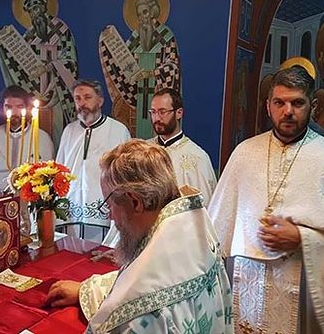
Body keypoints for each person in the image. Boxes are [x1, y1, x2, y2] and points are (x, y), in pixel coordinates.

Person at [208, 66, 324, 334]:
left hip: (303, 288)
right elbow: (215, 230)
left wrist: (303, 238)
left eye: (297, 103)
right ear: (268, 106)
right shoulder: (244, 153)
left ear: (313, 106)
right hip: (245, 280)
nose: (287, 111)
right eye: (279, 102)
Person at [45, 139, 233, 334]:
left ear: (135, 202)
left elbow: (138, 293)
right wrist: (86, 291)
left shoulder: (140, 315)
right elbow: (145, 278)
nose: (109, 216)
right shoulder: (193, 227)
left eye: (109, 205)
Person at [102, 88, 217, 247]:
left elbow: (203, 209)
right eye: (153, 112)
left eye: (162, 112)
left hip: (176, 240)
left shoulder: (197, 157)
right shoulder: (141, 152)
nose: (157, 118)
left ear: (179, 113)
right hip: (141, 237)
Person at [0, 0, 78, 144]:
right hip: (36, 92)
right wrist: (5, 42)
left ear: (44, 8)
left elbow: (70, 59)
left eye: (37, 8)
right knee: (36, 135)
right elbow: (20, 63)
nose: (35, 13)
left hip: (57, 90)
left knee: (58, 129)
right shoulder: (29, 35)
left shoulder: (61, 29)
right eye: (31, 11)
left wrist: (49, 66)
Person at [100, 0, 181, 139]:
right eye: (139, 15)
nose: (142, 18)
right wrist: (109, 45)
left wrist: (151, 73)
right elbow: (123, 61)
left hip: (157, 90)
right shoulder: (136, 36)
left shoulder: (166, 35)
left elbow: (173, 66)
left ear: (153, 12)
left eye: (145, 12)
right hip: (137, 95)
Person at [56, 80, 130, 242]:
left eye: (87, 97)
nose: (82, 103)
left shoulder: (118, 130)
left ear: (100, 101)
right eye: (78, 98)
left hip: (104, 214)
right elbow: (59, 170)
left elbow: (125, 176)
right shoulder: (69, 131)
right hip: (71, 212)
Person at [0, 85, 54, 198]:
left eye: (19, 107)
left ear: (28, 108)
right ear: (2, 108)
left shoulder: (42, 138)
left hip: (30, 201)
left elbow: (48, 177)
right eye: (8, 107)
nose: (14, 112)